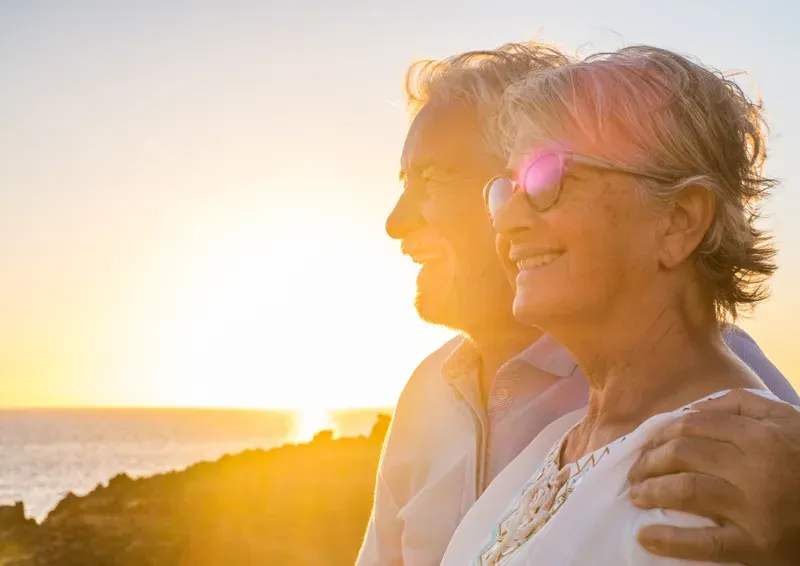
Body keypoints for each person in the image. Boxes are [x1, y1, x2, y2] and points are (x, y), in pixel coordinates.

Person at [356, 43, 800, 566]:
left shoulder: (732, 454)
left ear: (679, 220)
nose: (507, 218)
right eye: (505, 189)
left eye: (549, 178)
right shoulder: (553, 444)